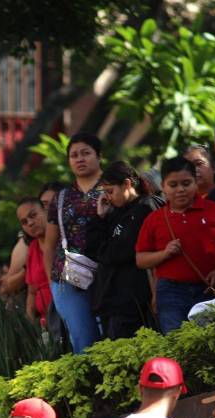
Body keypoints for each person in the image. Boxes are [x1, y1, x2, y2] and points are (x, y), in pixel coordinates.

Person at [135, 156, 215, 333]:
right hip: (171, 292)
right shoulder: (154, 219)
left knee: (214, 340)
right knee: (177, 342)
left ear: (195, 183)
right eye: (173, 185)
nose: (180, 189)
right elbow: (141, 260)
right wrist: (164, 254)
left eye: (186, 183)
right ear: (163, 187)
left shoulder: (213, 210)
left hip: (209, 289)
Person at [44, 133, 104, 353]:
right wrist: (53, 283)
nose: (79, 159)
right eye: (74, 155)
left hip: (108, 273)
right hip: (67, 277)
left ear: (99, 156)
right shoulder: (61, 197)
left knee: (112, 333)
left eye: (86, 153)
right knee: (82, 338)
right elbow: (49, 245)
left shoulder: (113, 188)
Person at [86, 161, 156, 339]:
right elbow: (93, 250)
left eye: (110, 191)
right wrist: (100, 217)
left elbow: (118, 252)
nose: (108, 198)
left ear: (127, 184)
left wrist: (105, 250)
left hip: (133, 299)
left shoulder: (144, 209)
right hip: (111, 299)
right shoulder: (114, 212)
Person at [13, 198, 53, 326]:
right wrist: (30, 325)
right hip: (44, 324)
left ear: (46, 211)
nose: (30, 223)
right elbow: (32, 292)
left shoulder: (63, 241)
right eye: (24, 222)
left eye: (33, 215)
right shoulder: (32, 249)